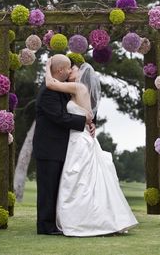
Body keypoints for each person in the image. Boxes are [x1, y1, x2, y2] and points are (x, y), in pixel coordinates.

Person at [45, 58, 138, 237]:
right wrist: (89, 121)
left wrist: (48, 66)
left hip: (79, 140)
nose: (70, 71)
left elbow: (50, 83)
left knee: (79, 180)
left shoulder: (79, 88)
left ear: (81, 73)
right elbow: (86, 114)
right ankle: (90, 218)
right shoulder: (76, 91)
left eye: (73, 69)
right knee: (84, 180)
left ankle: (87, 221)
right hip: (79, 136)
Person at [32, 54, 93, 235]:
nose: (70, 70)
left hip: (61, 147)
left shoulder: (61, 90)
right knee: (47, 188)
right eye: (68, 68)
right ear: (60, 70)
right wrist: (84, 120)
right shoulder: (48, 92)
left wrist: (89, 121)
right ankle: (45, 226)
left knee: (58, 187)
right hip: (48, 148)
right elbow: (60, 117)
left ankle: (56, 223)